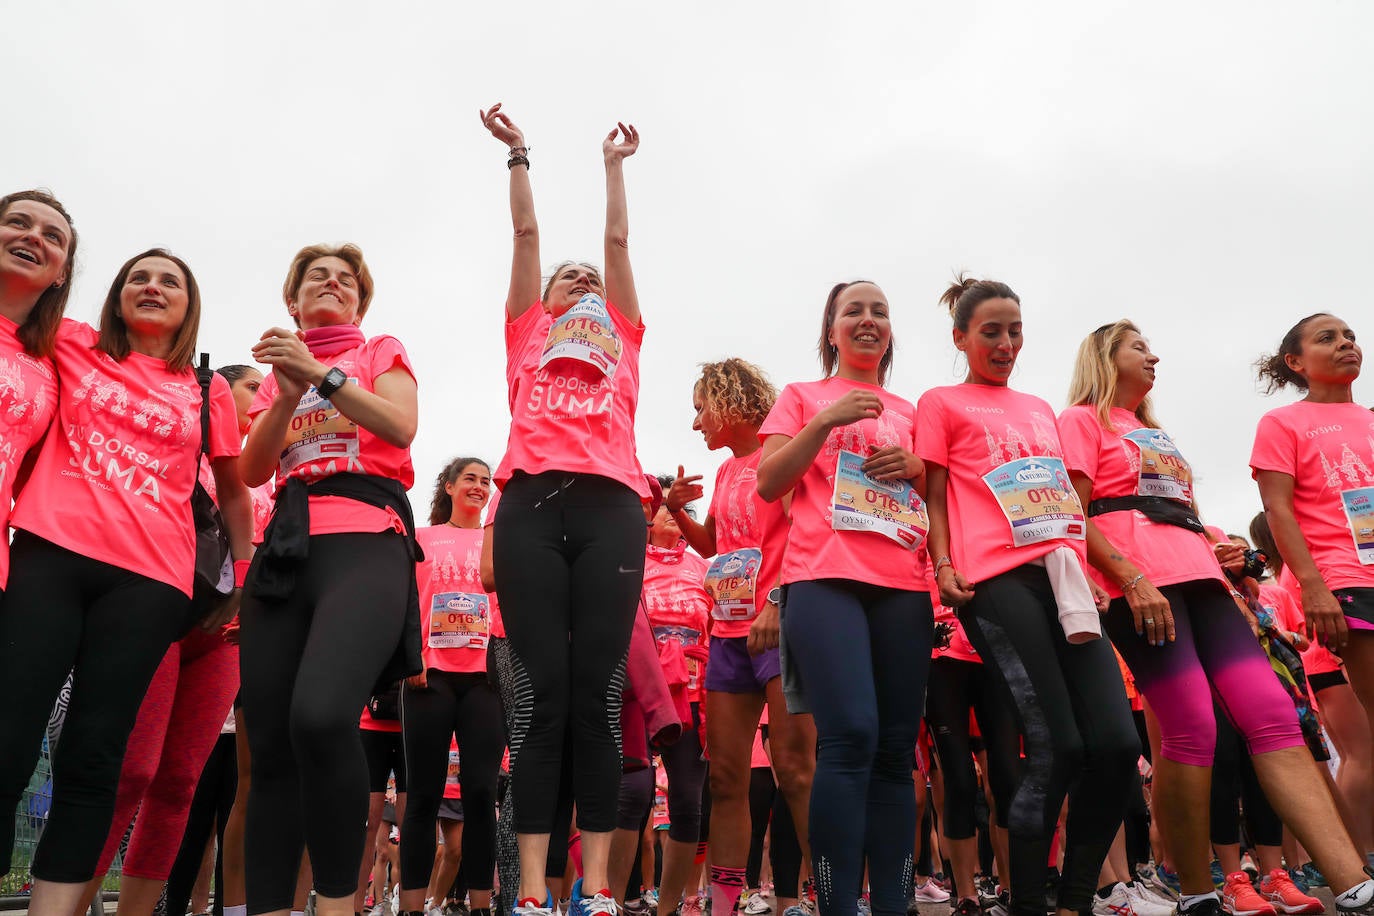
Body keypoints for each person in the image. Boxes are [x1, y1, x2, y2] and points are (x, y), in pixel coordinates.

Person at [1060, 318, 1368, 916]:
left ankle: (1350, 878)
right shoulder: (1080, 419)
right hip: (1140, 584)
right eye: (1139, 348)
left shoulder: (1155, 431)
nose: (1154, 358)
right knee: (1193, 727)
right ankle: (1197, 887)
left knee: (1272, 711)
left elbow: (1179, 509)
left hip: (1203, 579)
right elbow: (1072, 509)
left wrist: (1218, 548)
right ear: (1104, 357)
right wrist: (1128, 577)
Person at [0, 246, 252, 916]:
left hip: (150, 586)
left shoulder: (209, 390)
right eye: (138, 276)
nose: (152, 286)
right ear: (113, 295)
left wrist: (238, 584)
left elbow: (234, 494)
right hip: (50, 555)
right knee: (10, 737)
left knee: (97, 757)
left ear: (188, 306)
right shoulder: (72, 344)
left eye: (170, 280)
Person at [916, 277, 1138, 916]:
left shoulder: (1041, 408)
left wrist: (1092, 574)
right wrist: (943, 562)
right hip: (993, 580)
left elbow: (1066, 501)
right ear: (960, 337)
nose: (1006, 342)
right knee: (1057, 745)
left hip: (1063, 575)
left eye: (1015, 330)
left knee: (1118, 745)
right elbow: (934, 494)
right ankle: (1029, 904)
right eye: (991, 331)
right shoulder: (940, 402)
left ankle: (1075, 900)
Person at [480, 102, 649, 916]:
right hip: (529, 510)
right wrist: (520, 155)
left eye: (589, 277)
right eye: (567, 276)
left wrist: (613, 168)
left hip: (613, 508)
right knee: (543, 694)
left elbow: (616, 245)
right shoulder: (527, 335)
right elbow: (525, 241)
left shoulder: (621, 332)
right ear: (543, 300)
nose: (581, 278)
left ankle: (600, 887)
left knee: (596, 691)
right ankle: (537, 893)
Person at [238, 242, 421, 916]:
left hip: (366, 538)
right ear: (294, 300)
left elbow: (400, 426)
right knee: (272, 750)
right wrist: (287, 394)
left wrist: (320, 372)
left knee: (319, 717)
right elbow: (256, 469)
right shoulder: (276, 374)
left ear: (360, 303)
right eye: (320, 276)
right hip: (285, 549)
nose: (334, 285)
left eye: (347, 281)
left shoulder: (379, 352)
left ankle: (339, 902)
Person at [755, 280, 933, 916]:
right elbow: (770, 482)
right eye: (852, 311)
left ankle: (892, 902)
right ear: (831, 330)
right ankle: (834, 903)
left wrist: (916, 467)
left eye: (879, 311)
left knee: (893, 749)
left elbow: (940, 499)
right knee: (850, 735)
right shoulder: (802, 397)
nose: (867, 320)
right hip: (823, 580)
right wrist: (826, 420)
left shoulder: (916, 410)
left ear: (890, 332)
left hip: (905, 587)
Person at [663, 358, 816, 916]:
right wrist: (678, 514)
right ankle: (726, 902)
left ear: (730, 403)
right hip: (727, 634)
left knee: (796, 772)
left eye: (702, 408)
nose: (697, 423)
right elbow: (716, 548)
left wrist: (776, 600)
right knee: (726, 778)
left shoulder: (780, 453)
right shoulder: (727, 472)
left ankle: (818, 895)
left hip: (782, 626)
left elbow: (807, 531)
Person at [1248, 313, 1374, 916]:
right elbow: (1278, 511)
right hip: (1346, 580)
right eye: (1327, 338)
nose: (1346, 344)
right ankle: (1361, 858)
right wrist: (1315, 588)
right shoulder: (1282, 422)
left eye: (1349, 335)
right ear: (1295, 362)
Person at [400, 458, 507, 916]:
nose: (480, 486)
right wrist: (411, 657)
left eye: (486, 481)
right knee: (423, 795)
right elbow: (402, 601)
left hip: (483, 680)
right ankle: (410, 906)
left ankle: (480, 905)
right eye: (470, 478)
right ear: (449, 486)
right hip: (430, 676)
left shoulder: (498, 543)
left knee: (481, 794)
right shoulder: (423, 538)